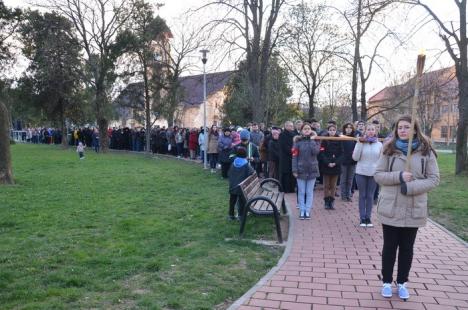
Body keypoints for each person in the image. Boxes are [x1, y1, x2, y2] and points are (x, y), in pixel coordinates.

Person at [374, 115, 439, 300]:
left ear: (415, 130)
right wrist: (399, 176)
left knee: (407, 248)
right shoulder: (389, 149)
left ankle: (402, 282)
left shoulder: (426, 151)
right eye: (399, 127)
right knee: (389, 246)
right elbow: (378, 175)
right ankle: (386, 281)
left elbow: (434, 179)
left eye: (406, 127)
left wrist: (410, 187)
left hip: (414, 207)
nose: (402, 130)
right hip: (391, 207)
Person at [352, 122, 383, 227]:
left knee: (370, 196)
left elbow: (381, 160)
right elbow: (355, 158)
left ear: (375, 131)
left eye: (372, 130)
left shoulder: (379, 145)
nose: (370, 131)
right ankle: (362, 218)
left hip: (373, 174)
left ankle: (368, 218)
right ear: (365, 131)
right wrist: (360, 143)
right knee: (362, 195)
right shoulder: (360, 142)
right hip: (361, 172)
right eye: (368, 129)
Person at [292, 123, 320, 220]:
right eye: (305, 129)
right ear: (301, 131)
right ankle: (302, 210)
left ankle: (307, 211)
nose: (307, 130)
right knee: (301, 191)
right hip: (300, 170)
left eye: (308, 129)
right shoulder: (297, 142)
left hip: (312, 170)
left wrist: (312, 141)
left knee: (309, 192)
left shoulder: (316, 141)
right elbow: (294, 156)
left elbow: (316, 152)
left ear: (311, 130)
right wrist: (294, 169)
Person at [318, 124, 343, 209]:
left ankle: (331, 201)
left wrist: (335, 163)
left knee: (333, 185)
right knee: (326, 185)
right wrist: (328, 162)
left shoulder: (339, 140)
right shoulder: (324, 140)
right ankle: (326, 201)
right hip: (326, 165)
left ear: (336, 131)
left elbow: (342, 153)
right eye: (330, 130)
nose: (332, 131)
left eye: (333, 130)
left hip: (336, 165)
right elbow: (321, 153)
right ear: (328, 130)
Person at [227, 146, 255, 221]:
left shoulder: (233, 163)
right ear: (245, 155)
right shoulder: (246, 165)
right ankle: (240, 215)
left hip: (232, 186)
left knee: (232, 201)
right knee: (241, 201)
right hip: (241, 187)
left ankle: (231, 215)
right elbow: (252, 173)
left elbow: (229, 173)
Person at [340, 123, 357, 202]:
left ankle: (348, 195)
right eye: (347, 128)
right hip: (343, 161)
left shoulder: (354, 138)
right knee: (343, 179)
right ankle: (343, 195)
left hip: (352, 161)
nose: (349, 129)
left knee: (350, 179)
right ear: (344, 129)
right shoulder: (341, 137)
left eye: (350, 128)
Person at [278, 121, 296, 193]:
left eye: (291, 126)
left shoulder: (294, 134)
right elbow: (283, 146)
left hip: (293, 157)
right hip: (285, 157)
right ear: (285, 126)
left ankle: (291, 188)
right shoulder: (282, 135)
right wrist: (292, 151)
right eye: (289, 126)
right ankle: (285, 189)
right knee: (285, 173)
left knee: (291, 173)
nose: (291, 127)